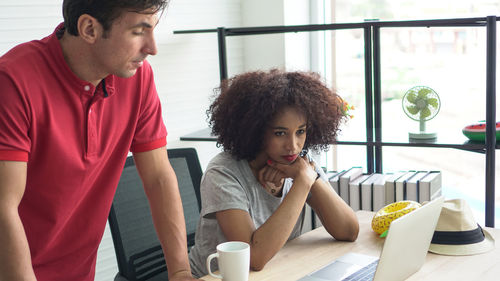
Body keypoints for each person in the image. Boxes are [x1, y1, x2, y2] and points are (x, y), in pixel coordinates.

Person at [0, 1, 199, 280]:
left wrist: (179, 272)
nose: (152, 48)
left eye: (152, 30)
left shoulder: (138, 79)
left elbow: (159, 178)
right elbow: (3, 208)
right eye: (138, 32)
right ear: (89, 28)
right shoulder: (12, 81)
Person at [188, 69, 360, 278]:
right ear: (256, 130)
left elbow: (349, 231)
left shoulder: (300, 164)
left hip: (277, 271)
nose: (293, 146)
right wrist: (304, 181)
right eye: (280, 133)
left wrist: (309, 178)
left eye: (301, 131)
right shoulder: (223, 173)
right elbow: (254, 258)